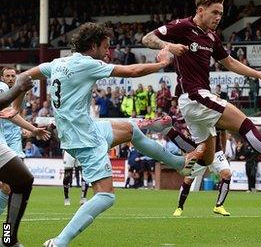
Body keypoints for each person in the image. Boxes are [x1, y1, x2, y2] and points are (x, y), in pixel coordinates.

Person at [16, 22, 194, 246]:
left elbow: (23, 79)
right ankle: (59, 242)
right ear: (93, 46)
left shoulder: (58, 63)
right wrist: (162, 62)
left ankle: (178, 162)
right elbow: (133, 71)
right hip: (85, 138)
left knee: (131, 130)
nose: (108, 52)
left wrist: (16, 106)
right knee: (106, 196)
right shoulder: (87, 64)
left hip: (83, 129)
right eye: (106, 46)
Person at [141, 0, 261, 179]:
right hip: (194, 96)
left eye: (221, 14)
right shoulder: (182, 26)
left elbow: (230, 62)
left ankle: (168, 130)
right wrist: (168, 46)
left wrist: (259, 75)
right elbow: (147, 38)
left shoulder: (211, 37)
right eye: (214, 12)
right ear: (200, 10)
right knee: (245, 124)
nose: (218, 18)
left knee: (206, 159)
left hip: (194, 101)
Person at [139, 117, 233, 216]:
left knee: (227, 174)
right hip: (198, 153)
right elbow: (187, 142)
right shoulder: (192, 121)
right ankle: (179, 207)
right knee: (188, 180)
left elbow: (222, 134)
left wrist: (223, 151)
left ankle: (219, 206)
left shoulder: (213, 117)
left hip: (216, 152)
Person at [0, 72, 49, 245]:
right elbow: (7, 108)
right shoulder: (4, 89)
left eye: (14, 75)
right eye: (8, 75)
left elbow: (12, 112)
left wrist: (32, 129)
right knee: (16, 183)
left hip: (8, 145)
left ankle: (8, 238)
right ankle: (8, 238)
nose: (11, 78)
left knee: (17, 183)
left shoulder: (5, 89)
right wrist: (19, 89)